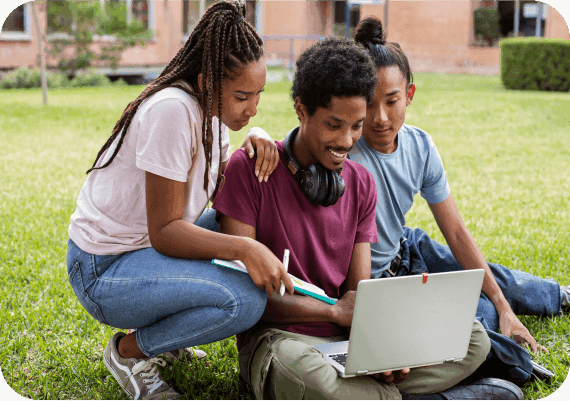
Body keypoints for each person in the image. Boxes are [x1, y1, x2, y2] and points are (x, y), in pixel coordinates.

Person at [214, 36, 523, 400]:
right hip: (283, 342)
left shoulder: (361, 183)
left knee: (471, 338)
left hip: (346, 342)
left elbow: (358, 295)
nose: (346, 140)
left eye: (356, 126)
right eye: (334, 125)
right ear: (301, 109)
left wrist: (383, 349)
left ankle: (369, 392)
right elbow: (244, 295)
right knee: (308, 377)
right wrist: (332, 315)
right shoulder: (249, 171)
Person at [66, 2, 293, 400]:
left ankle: (168, 338)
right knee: (242, 300)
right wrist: (245, 248)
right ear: (207, 82)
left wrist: (253, 133)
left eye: (258, 95)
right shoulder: (172, 110)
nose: (252, 106)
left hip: (142, 253)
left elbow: (222, 196)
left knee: (239, 224)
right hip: (104, 270)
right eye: (243, 96)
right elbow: (166, 233)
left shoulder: (211, 115)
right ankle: (128, 353)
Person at [347, 17, 569, 383]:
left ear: (410, 95)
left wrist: (503, 305)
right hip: (379, 278)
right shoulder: (345, 150)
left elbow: (457, 232)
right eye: (369, 104)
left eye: (392, 101)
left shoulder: (420, 146)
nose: (381, 118)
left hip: (407, 247)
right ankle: (508, 357)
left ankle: (556, 296)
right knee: (473, 312)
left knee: (483, 278)